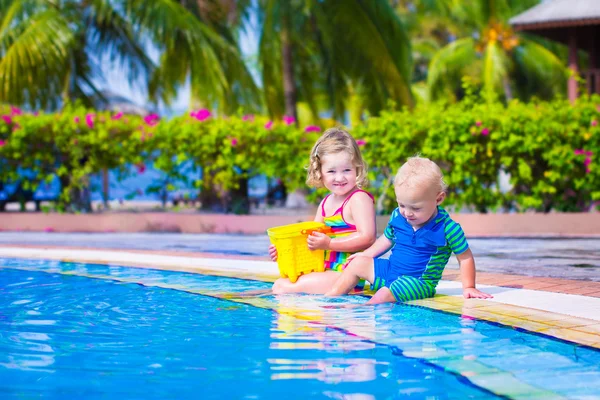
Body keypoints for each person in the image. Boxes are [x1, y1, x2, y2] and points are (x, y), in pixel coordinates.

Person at [324, 156, 492, 304]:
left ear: (438, 199)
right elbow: (386, 240)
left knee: (383, 294)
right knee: (356, 264)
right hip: (390, 271)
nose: (407, 212)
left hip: (417, 283)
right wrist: (364, 255)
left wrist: (469, 287)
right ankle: (330, 298)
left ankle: (362, 311)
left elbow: (465, 258)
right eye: (402, 204)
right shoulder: (398, 216)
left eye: (416, 208)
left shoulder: (448, 228)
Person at [270, 127, 377, 294]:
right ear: (320, 172)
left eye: (347, 170)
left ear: (357, 168)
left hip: (347, 276)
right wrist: (284, 252)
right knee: (282, 283)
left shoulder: (358, 199)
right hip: (326, 272)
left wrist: (330, 244)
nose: (339, 177)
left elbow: (368, 237)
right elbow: (309, 241)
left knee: (282, 287)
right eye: (331, 171)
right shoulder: (326, 203)